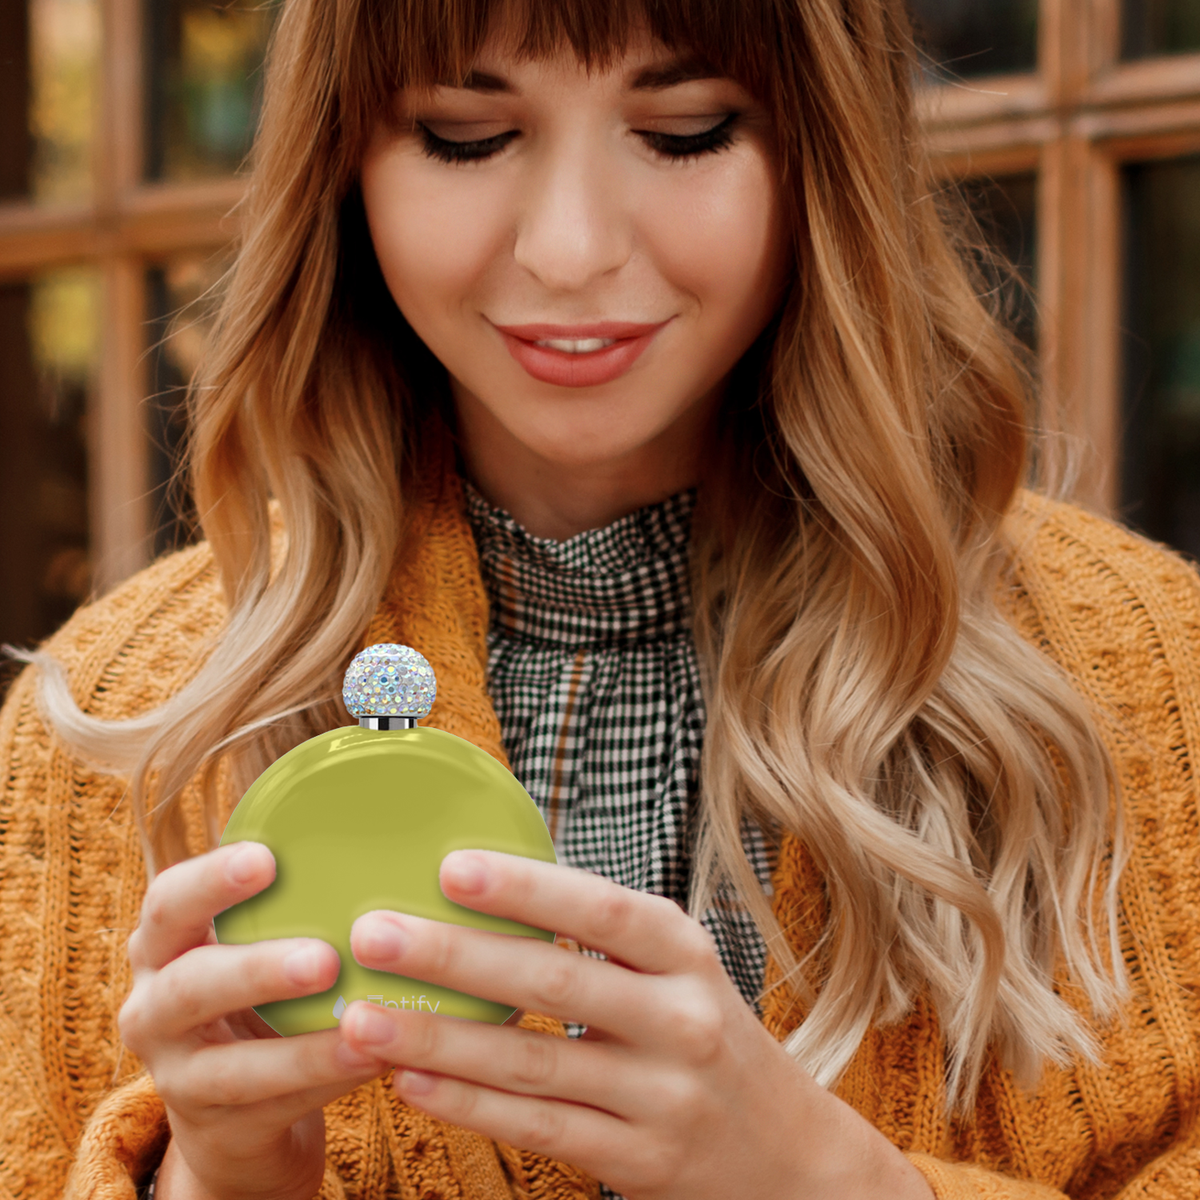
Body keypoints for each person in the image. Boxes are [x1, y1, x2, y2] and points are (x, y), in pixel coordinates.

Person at [3, 0, 1199, 1196]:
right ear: (341, 162)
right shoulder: (115, 726)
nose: (569, 251)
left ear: (827, 152)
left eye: (685, 131)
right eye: (464, 136)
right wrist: (213, 1180)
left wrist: (834, 1182)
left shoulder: (1161, 679)